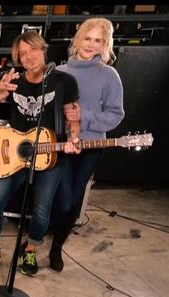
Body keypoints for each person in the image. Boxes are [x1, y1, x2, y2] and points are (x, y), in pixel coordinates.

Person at [0, 31, 82, 276]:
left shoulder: (65, 82)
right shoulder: (14, 80)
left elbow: (73, 117)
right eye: (22, 54)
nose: (29, 57)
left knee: (41, 210)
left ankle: (30, 251)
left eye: (33, 50)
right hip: (15, 154)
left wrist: (75, 139)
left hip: (50, 155)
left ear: (43, 49)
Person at [50, 18, 125, 271]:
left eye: (98, 41)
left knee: (72, 203)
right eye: (87, 38)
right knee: (61, 201)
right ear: (78, 38)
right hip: (60, 146)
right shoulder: (59, 72)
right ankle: (47, 234)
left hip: (91, 147)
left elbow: (116, 114)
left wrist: (85, 116)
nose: (91, 45)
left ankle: (56, 247)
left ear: (105, 45)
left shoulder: (108, 75)